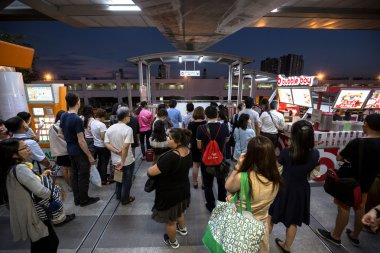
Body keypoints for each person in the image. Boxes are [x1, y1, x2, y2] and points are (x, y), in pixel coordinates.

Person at [317, 113, 380, 247]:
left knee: (343, 207)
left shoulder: (359, 142)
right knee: (360, 208)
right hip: (367, 183)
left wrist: (343, 156)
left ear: (366, 125)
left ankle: (335, 236)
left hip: (349, 182)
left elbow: (340, 157)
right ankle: (355, 236)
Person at [269, 120, 319, 253]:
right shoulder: (315, 154)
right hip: (301, 190)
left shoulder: (286, 152)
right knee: (293, 220)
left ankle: (261, 245)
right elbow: (313, 174)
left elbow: (276, 171)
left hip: (283, 189)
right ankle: (287, 246)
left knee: (271, 216)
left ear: (294, 135)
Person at [0, 138, 59, 252]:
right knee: (49, 243)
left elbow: (25, 184)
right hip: (34, 212)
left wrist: (41, 176)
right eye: (25, 148)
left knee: (38, 243)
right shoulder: (21, 169)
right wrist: (53, 191)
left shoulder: (9, 168)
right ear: (14, 154)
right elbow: (41, 192)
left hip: (24, 210)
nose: (29, 150)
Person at [225, 136, 281, 253]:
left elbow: (228, 186)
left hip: (242, 228)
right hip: (261, 226)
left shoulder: (244, 177)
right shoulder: (276, 178)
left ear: (250, 155)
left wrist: (238, 167)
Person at [147, 128, 193, 249]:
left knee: (170, 221)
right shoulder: (188, 151)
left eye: (170, 138)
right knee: (180, 210)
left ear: (177, 141)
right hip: (183, 189)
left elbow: (151, 172)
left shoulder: (170, 157)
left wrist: (151, 168)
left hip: (169, 194)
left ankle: (173, 241)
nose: (167, 139)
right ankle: (182, 229)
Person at [60, 93, 99, 207]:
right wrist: (90, 156)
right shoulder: (77, 119)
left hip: (70, 149)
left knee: (75, 175)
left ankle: (77, 199)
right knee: (83, 176)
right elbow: (81, 141)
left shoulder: (64, 116)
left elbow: (60, 133)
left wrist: (69, 140)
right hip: (79, 151)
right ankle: (84, 200)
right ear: (78, 102)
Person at [196, 106, 229, 212]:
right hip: (220, 159)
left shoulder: (201, 128)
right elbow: (226, 140)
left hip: (206, 160)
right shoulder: (224, 126)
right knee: (221, 182)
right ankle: (222, 204)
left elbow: (199, 146)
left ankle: (210, 205)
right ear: (217, 115)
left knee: (208, 184)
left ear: (206, 115)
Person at [104, 106, 135, 205]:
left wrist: (116, 152)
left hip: (115, 160)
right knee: (127, 181)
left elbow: (106, 143)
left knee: (118, 178)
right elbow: (126, 146)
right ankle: (125, 199)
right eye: (129, 116)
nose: (129, 118)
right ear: (126, 117)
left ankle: (118, 195)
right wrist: (122, 160)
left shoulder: (110, 128)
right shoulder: (128, 129)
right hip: (127, 160)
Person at [48, 110, 72, 191]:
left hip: (58, 152)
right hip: (67, 151)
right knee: (70, 170)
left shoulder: (51, 127)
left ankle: (70, 186)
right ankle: (73, 185)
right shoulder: (65, 126)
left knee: (64, 169)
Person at [187, 106, 207, 188]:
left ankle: (195, 183)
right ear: (203, 114)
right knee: (204, 166)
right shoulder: (206, 123)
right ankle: (203, 184)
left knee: (195, 165)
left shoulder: (191, 124)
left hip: (194, 146)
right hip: (204, 146)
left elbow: (188, 136)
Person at [91, 108, 111, 185]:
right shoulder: (101, 125)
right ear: (102, 116)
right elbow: (103, 137)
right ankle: (104, 179)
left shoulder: (92, 123)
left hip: (96, 145)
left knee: (99, 162)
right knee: (104, 163)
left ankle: (99, 176)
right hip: (103, 146)